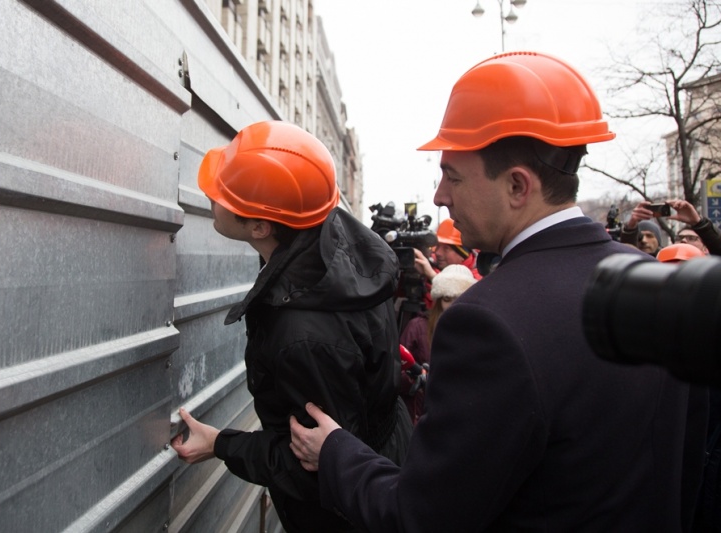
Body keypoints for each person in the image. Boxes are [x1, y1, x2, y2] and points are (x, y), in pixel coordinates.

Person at [288, 51, 707, 532]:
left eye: (452, 175)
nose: (439, 196)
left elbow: (422, 518)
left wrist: (336, 454)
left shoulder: (487, 322)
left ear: (517, 187)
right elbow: (688, 472)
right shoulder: (662, 286)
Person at [170, 120, 412, 533]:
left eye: (224, 193)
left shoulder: (304, 335)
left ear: (260, 227)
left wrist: (221, 444)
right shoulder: (333, 244)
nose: (211, 193)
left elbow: (316, 465)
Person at [398, 264, 477, 424]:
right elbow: (396, 372)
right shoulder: (418, 327)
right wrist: (417, 377)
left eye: (459, 297)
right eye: (447, 299)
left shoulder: (478, 332)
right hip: (420, 416)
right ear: (439, 300)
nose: (453, 305)